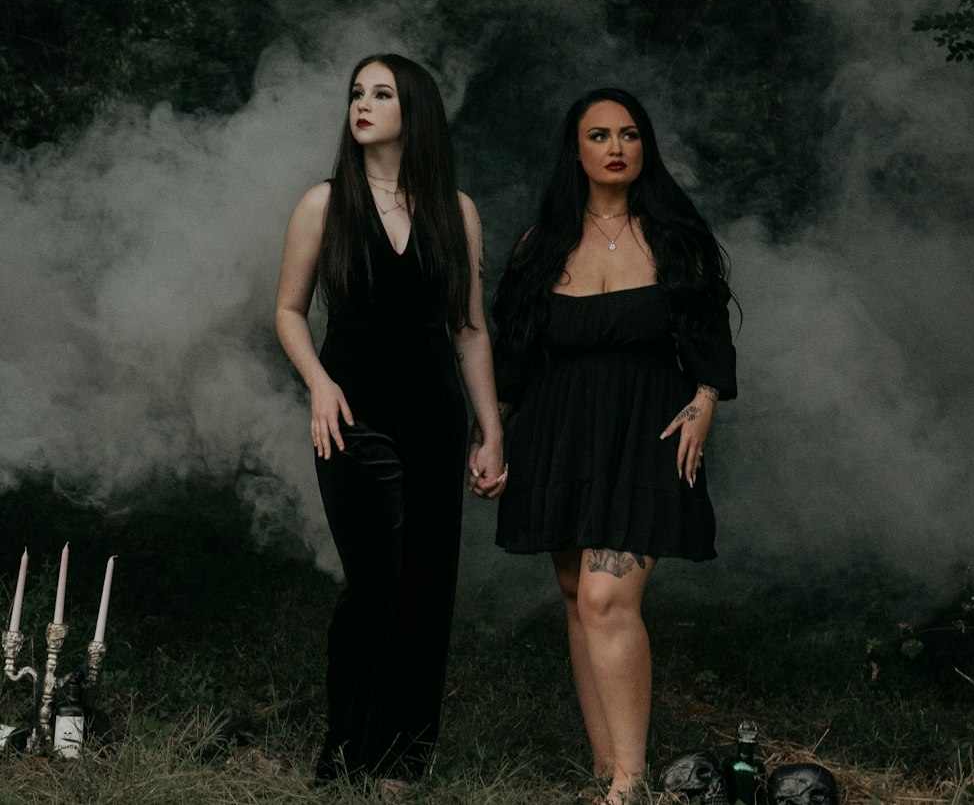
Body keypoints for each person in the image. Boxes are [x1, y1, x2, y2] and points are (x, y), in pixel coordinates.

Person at [493, 87, 737, 805]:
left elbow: (709, 339)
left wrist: (705, 402)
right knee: (576, 596)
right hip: (558, 433)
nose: (615, 147)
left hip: (645, 433)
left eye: (629, 134)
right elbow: (512, 358)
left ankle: (630, 783)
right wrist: (493, 437)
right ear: (576, 149)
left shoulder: (673, 237)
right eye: (599, 135)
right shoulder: (540, 246)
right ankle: (607, 770)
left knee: (605, 598)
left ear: (644, 147)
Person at [274, 53, 506, 787]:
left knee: (427, 581)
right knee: (375, 580)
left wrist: (490, 428)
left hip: (434, 414)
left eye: (381, 92)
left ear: (416, 109)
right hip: (352, 413)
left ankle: (402, 763)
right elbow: (287, 311)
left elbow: (469, 331)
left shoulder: (455, 210)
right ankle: (344, 756)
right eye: (356, 93)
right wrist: (317, 384)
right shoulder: (323, 203)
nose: (363, 103)